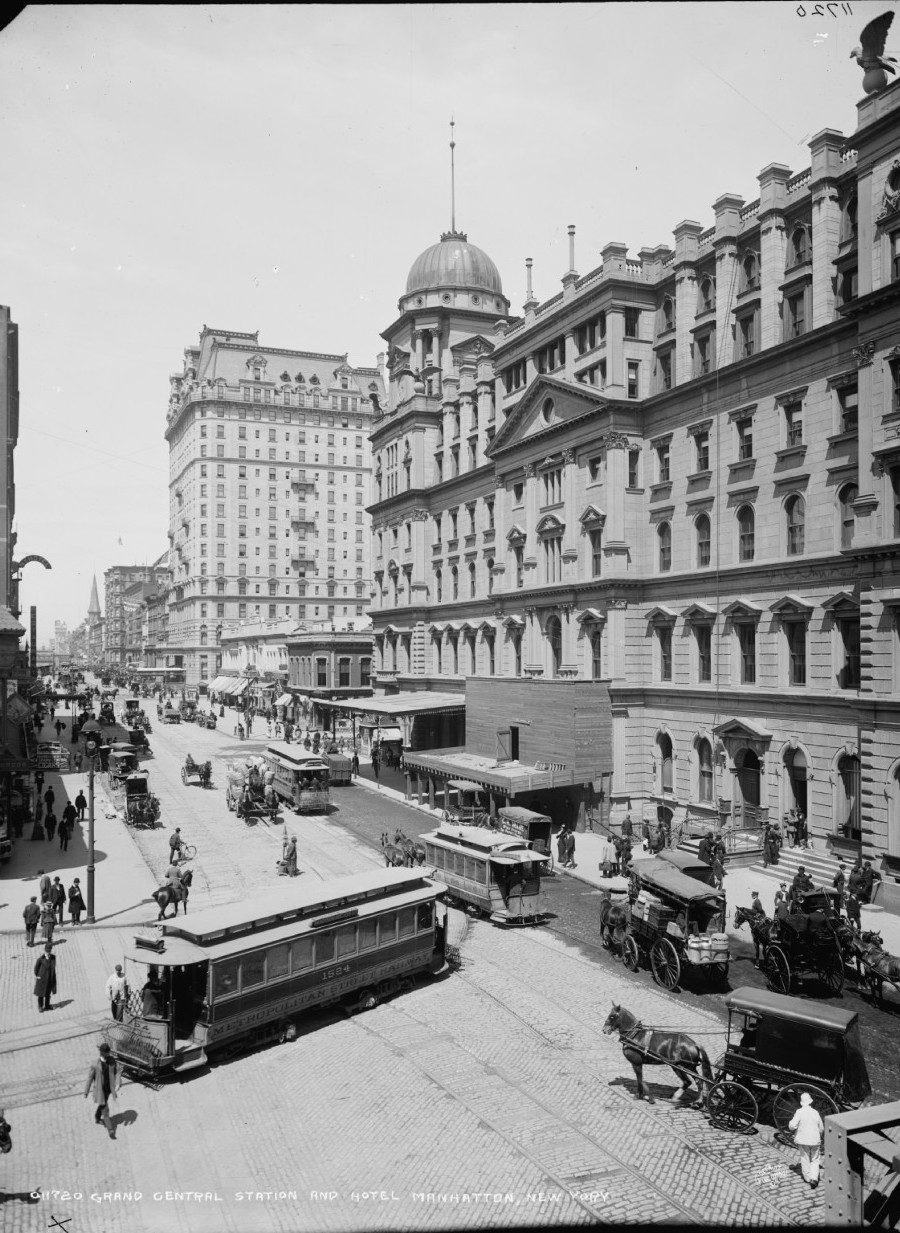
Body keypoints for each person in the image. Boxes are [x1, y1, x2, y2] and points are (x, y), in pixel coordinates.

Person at [789, 1091, 825, 1188]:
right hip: (815, 1140)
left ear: (801, 1102)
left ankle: (807, 1178)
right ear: (810, 1102)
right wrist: (818, 1136)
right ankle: (814, 1178)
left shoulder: (799, 1112)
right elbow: (821, 1128)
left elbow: (792, 1126)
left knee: (805, 1158)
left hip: (803, 1140)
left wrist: (792, 1126)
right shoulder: (815, 1112)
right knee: (815, 1159)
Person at [84, 1042, 118, 1139]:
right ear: (102, 1053)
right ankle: (111, 1130)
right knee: (105, 1110)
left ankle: (97, 1117)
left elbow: (117, 1071)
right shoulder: (95, 1064)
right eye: (107, 1053)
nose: (109, 1054)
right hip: (100, 1091)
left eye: (109, 1053)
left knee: (103, 1103)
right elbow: (90, 1078)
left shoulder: (112, 1060)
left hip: (108, 1090)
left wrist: (117, 1083)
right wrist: (86, 1091)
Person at [34, 942, 56, 1012]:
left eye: (49, 951)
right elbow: (36, 969)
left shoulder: (53, 957)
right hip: (42, 979)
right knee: (41, 994)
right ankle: (40, 1006)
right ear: (45, 950)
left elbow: (53, 968)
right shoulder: (40, 959)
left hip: (49, 978)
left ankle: (47, 1005)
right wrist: (38, 976)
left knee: (48, 993)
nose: (48, 952)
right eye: (47, 951)